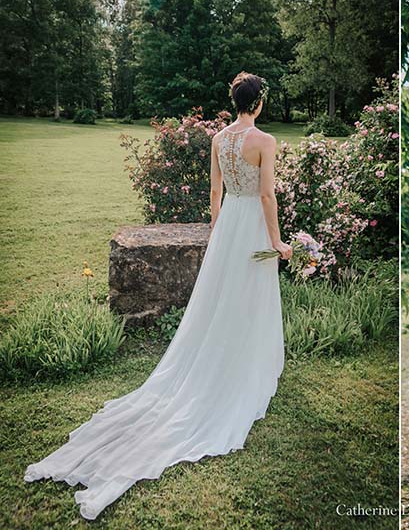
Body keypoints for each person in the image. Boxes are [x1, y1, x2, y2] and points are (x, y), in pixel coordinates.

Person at [24, 72, 292, 520]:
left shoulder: (219, 139)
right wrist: (279, 242)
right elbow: (266, 195)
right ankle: (245, 364)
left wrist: (216, 230)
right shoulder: (264, 141)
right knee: (249, 296)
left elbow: (214, 191)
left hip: (226, 226)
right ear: (259, 103)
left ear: (234, 101)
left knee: (220, 299)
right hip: (251, 227)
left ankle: (226, 358)